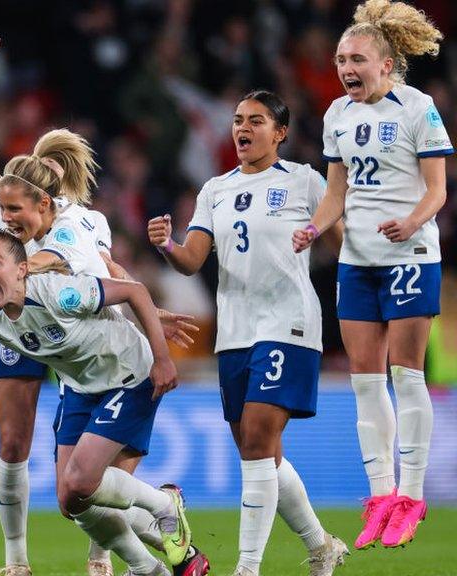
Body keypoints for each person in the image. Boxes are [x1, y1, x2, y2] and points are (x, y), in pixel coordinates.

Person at [0, 35, 207, 576]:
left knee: (86, 478)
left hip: (76, 331)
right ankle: (20, 561)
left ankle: (112, 556)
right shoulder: (5, 206)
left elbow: (107, 274)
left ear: (45, 193)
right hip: (18, 323)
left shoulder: (78, 223)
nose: (9, 208)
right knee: (19, 444)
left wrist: (145, 310)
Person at [0, 229, 195, 576]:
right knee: (70, 500)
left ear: (22, 270)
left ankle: (165, 506)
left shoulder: (60, 293)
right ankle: (149, 569)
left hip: (128, 373)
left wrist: (162, 359)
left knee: (81, 481)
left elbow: (135, 292)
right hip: (81, 385)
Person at [148, 91, 350, 576]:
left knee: (259, 440)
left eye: (255, 121)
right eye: (238, 120)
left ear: (279, 132)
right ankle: (321, 544)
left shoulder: (304, 181)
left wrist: (337, 254)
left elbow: (342, 242)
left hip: (288, 321)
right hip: (235, 331)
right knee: (259, 451)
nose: (242, 128)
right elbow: (193, 260)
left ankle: (247, 567)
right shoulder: (215, 189)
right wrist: (168, 246)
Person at [292, 0, 450, 550]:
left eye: (356, 58)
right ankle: (380, 496)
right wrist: (314, 230)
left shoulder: (419, 108)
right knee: (365, 381)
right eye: (340, 59)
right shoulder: (338, 115)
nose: (345, 68)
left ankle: (411, 494)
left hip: (409, 258)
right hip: (357, 262)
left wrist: (410, 223)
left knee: (407, 376)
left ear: (386, 64)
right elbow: (336, 194)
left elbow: (438, 191)